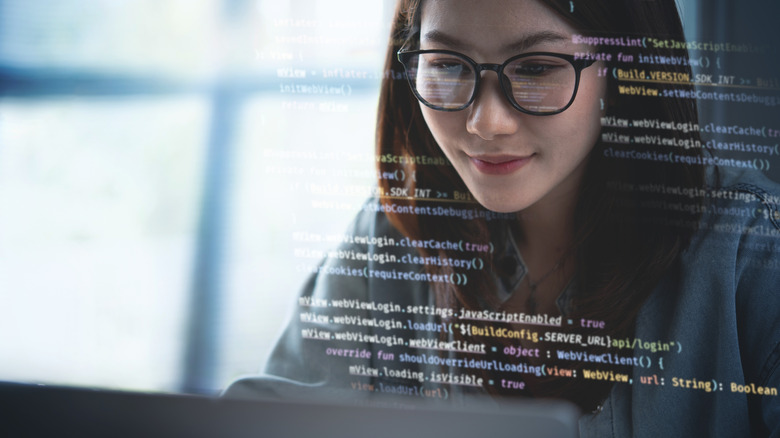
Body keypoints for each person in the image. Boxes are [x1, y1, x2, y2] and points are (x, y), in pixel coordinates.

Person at [226, 0, 780, 435]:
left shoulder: (750, 247)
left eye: (536, 67)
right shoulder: (391, 233)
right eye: (445, 64)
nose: (486, 122)